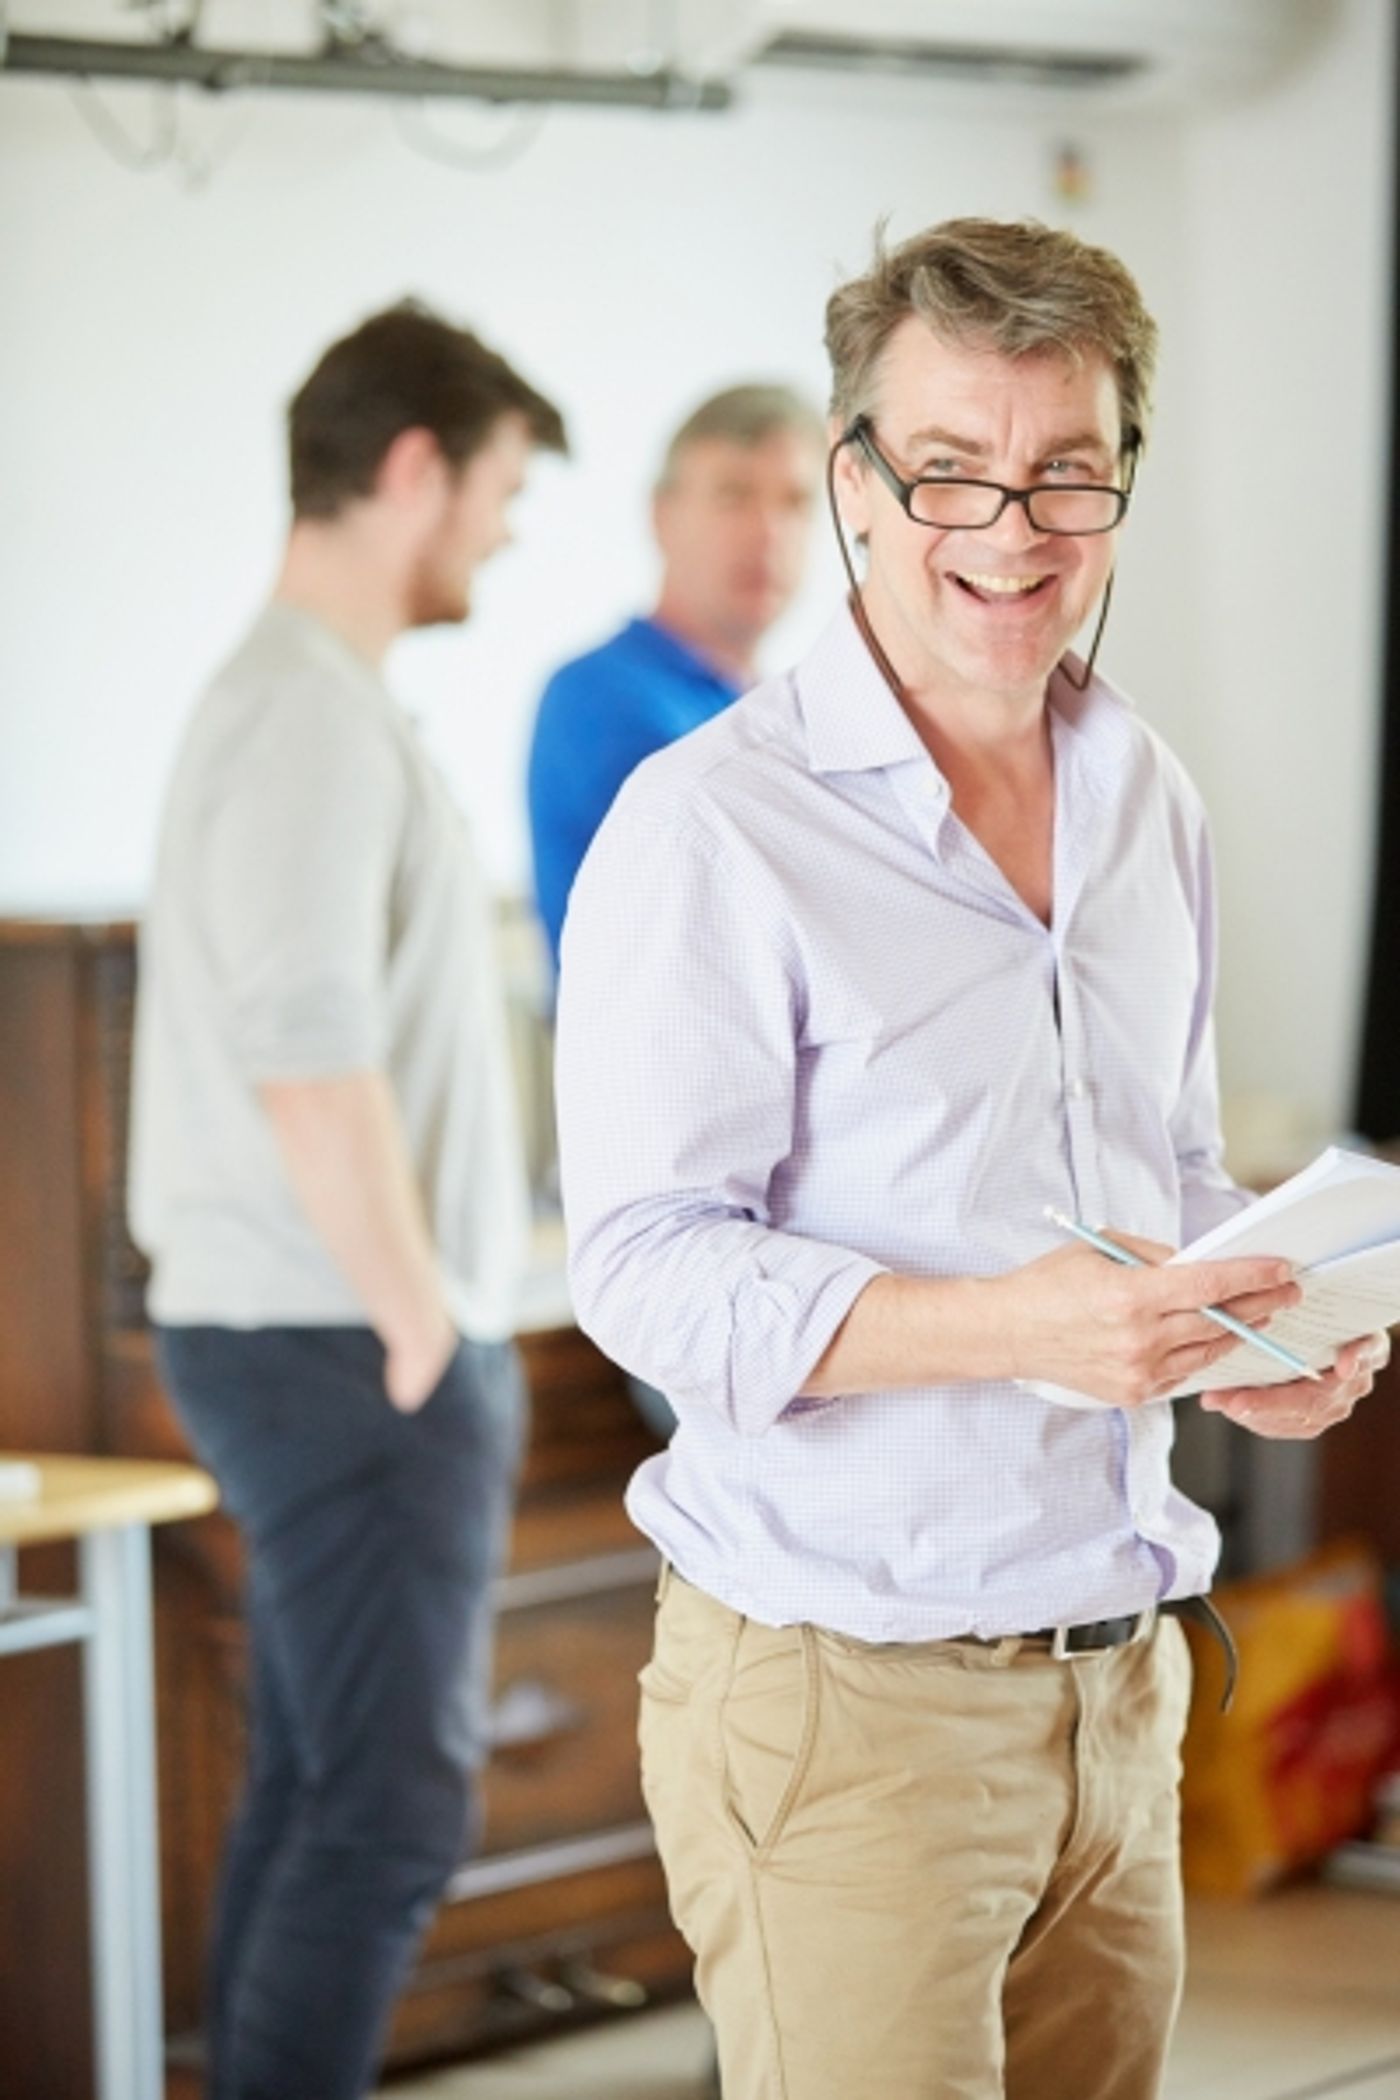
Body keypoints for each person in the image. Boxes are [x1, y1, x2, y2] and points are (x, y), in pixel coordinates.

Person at [553, 219, 1387, 2100]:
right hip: (846, 1706)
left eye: (1063, 474)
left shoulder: (1144, 793)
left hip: (1122, 1683)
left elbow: (1159, 1162)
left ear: (1118, 484)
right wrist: (1018, 1327)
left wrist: (1253, 1334)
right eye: (949, 471)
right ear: (859, 481)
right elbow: (647, 1269)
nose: (1010, 532)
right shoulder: (712, 831)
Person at [128, 301, 567, 2100]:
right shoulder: (306, 715)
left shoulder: (306, 703)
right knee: (387, 1813)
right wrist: (421, 1328)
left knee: (323, 1790)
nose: (504, 531)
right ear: (412, 472)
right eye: (499, 492)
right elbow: (310, 1053)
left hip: (315, 1326)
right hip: (339, 1336)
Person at [526, 382, 824, 973]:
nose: (768, 531)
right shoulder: (598, 699)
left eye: (794, 502)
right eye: (733, 496)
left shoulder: (778, 710)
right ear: (661, 517)